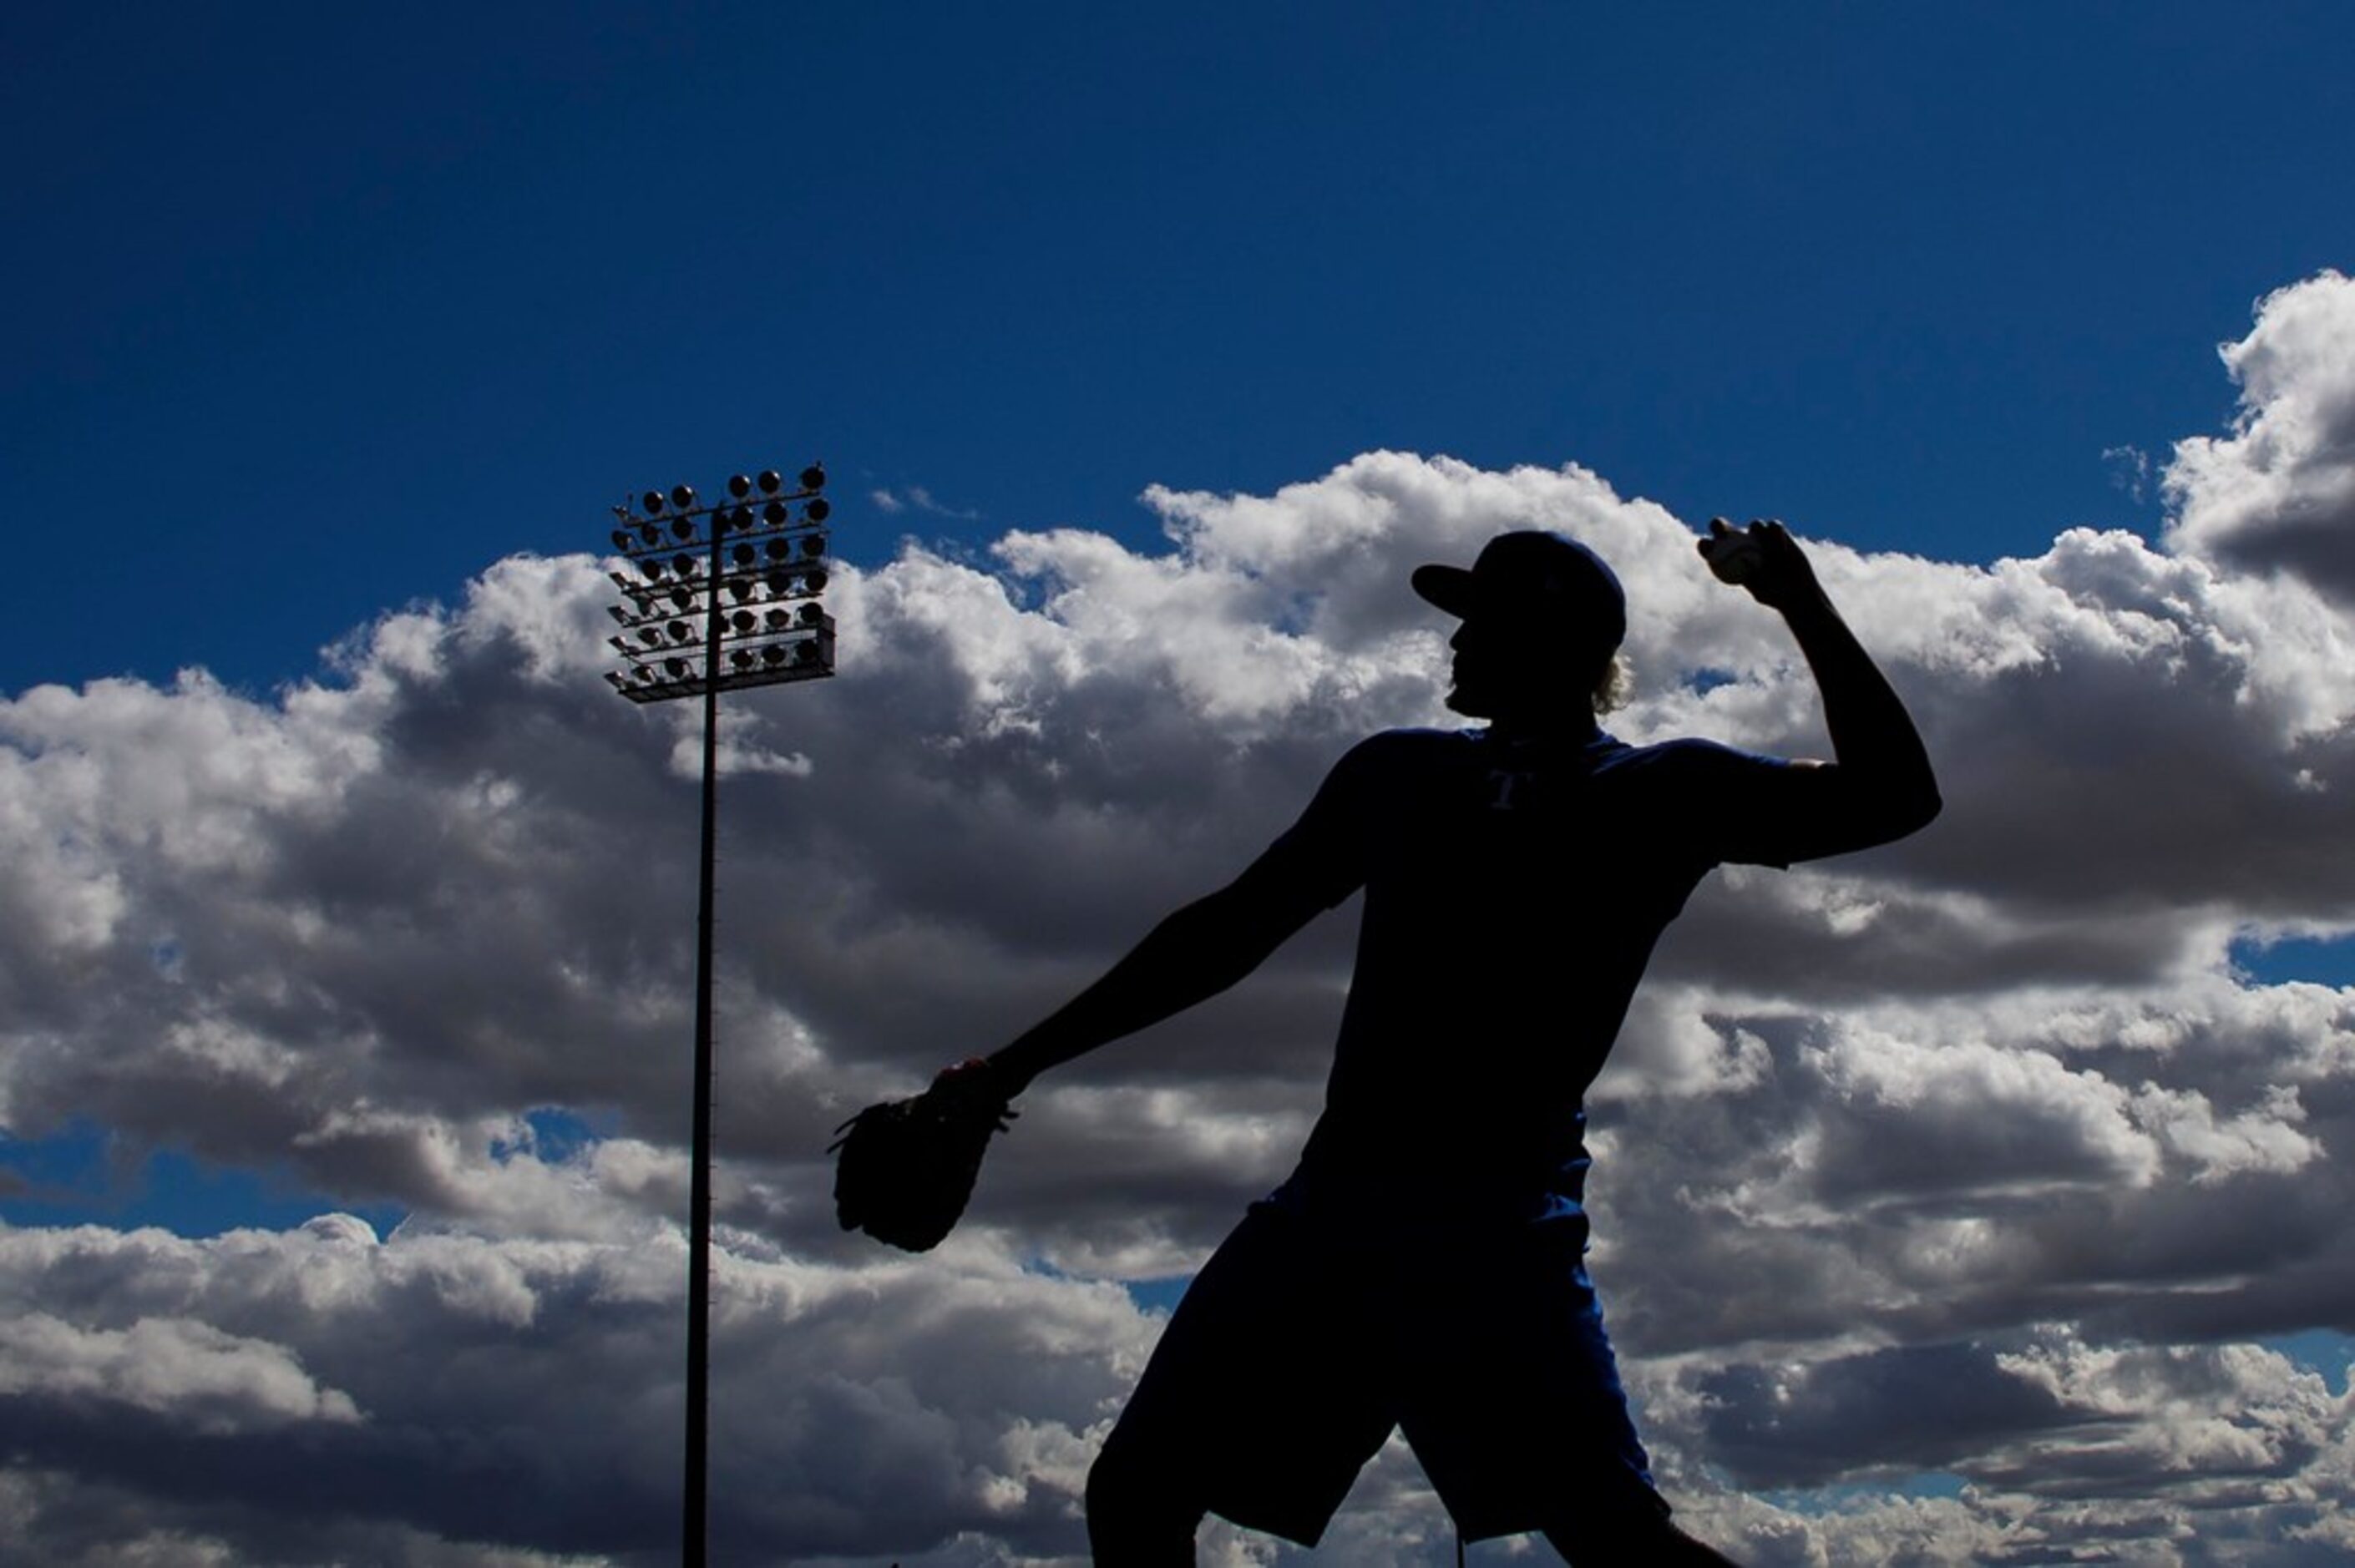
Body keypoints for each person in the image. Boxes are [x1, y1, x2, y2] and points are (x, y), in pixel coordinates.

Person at [966, 518, 1940, 1565]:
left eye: (1482, 621)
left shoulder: (1660, 791)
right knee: (1138, 1493)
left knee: (1613, 1540)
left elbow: (1897, 796)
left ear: (1554, 644)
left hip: (1487, 1230)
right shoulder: (1403, 774)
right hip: (1341, 1211)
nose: (1455, 643)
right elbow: (1227, 930)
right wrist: (1006, 1067)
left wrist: (1799, 599)